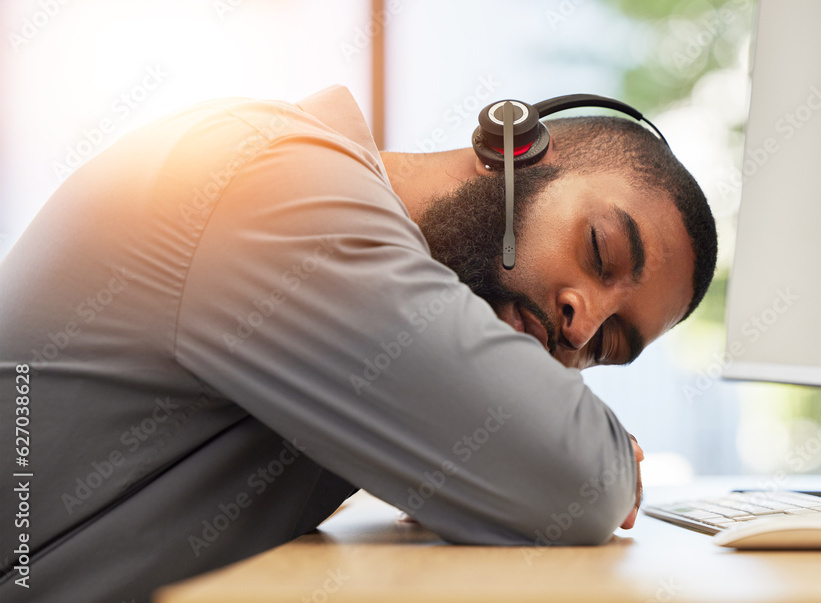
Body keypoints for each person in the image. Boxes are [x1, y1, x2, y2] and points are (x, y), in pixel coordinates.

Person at [0, 84, 716, 602]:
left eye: (610, 345)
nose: (581, 325)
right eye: (599, 249)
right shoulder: (278, 182)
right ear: (515, 145)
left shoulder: (374, 292)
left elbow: (521, 463)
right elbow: (574, 480)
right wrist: (603, 456)